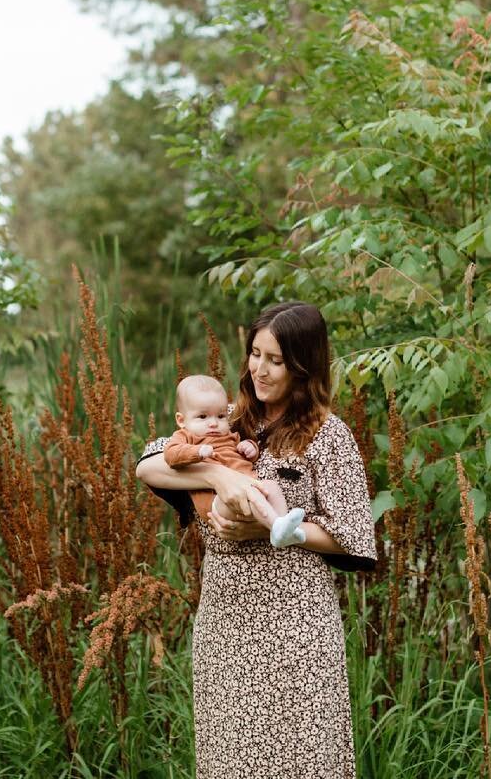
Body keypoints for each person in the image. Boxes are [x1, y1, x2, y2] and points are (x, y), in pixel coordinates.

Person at [136, 301, 377, 778]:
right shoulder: (226, 421)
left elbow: (354, 536)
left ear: (304, 365)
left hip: (296, 627)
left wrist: (274, 531)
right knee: (230, 761)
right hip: (225, 623)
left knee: (300, 759)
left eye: (276, 360)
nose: (260, 370)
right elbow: (149, 463)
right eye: (255, 354)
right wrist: (217, 477)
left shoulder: (328, 435)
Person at [163, 373, 308, 548]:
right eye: (203, 417)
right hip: (216, 501)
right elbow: (171, 454)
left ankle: (283, 525)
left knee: (271, 487)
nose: (214, 423)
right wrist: (197, 452)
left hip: (247, 486)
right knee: (251, 493)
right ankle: (276, 527)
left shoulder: (228, 436)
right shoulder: (185, 436)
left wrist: (250, 448)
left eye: (221, 416)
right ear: (181, 420)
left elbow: (243, 452)